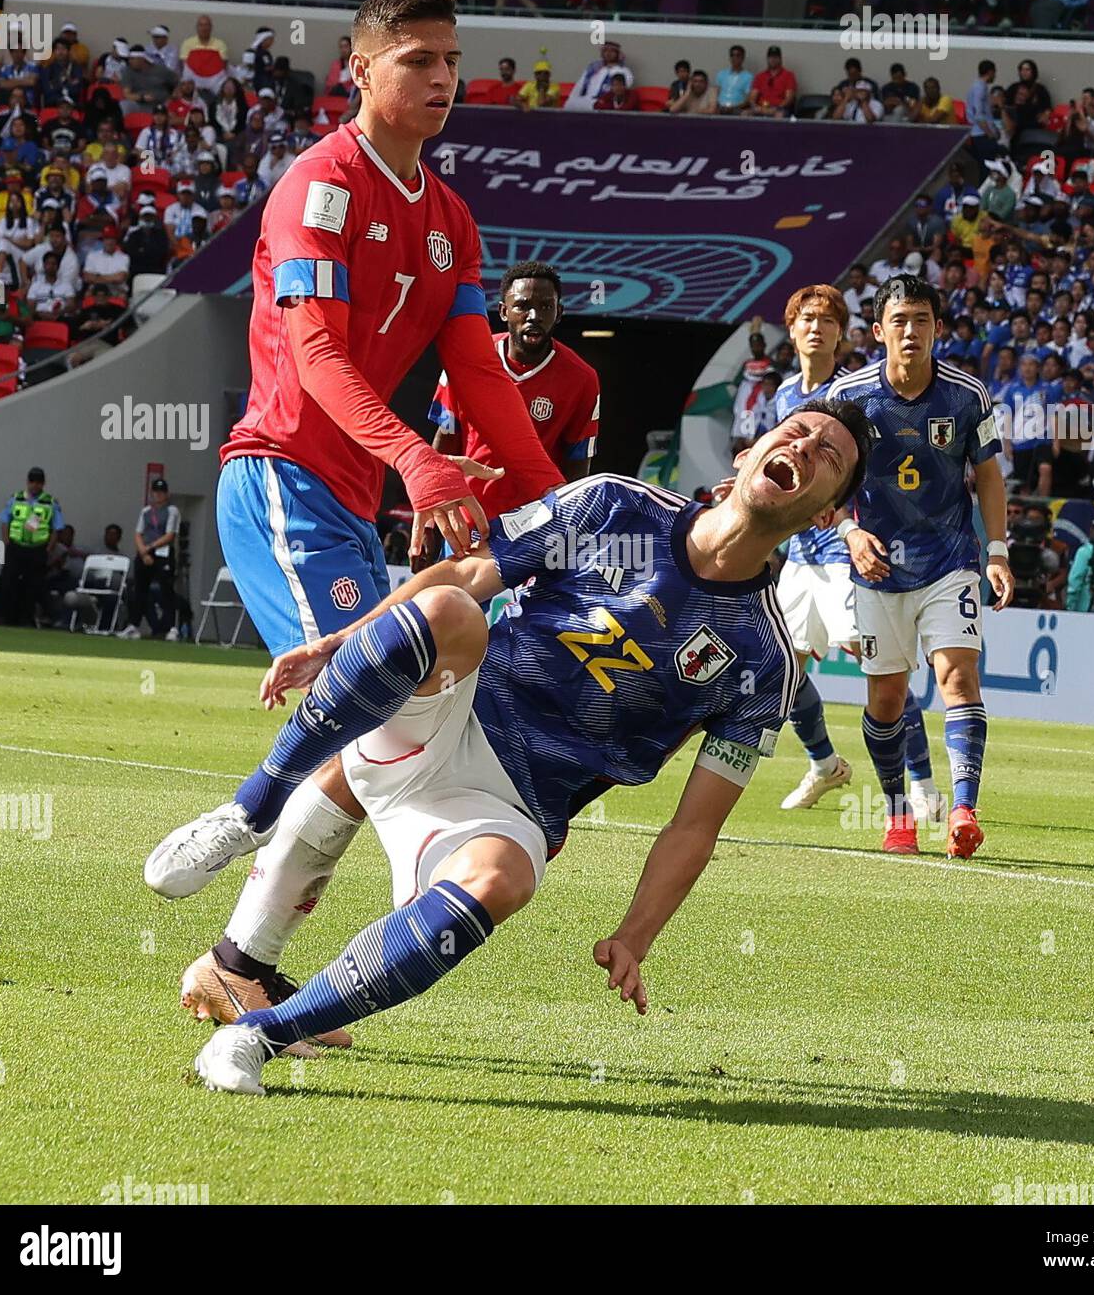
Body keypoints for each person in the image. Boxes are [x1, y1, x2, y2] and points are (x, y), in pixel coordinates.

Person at [152, 404, 869, 1090]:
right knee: (447, 612)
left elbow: (695, 826)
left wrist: (636, 933)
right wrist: (338, 642)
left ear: (827, 514)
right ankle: (249, 813)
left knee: (504, 881)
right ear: (749, 453)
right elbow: (465, 574)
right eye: (797, 432)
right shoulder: (614, 505)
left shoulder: (764, 659)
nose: (804, 447)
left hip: (514, 801)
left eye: (827, 454)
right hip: (453, 708)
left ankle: (257, 1033)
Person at [198, 0, 563, 693]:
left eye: (452, 60)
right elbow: (316, 356)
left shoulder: (451, 218)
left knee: (422, 700)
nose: (443, 78)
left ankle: (256, 810)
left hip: (356, 498)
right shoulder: (318, 188)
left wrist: (550, 495)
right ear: (361, 70)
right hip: (284, 475)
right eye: (418, 59)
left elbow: (478, 371)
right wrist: (418, 460)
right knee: (368, 703)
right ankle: (246, 810)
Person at [827, 275, 1014, 858]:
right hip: (877, 570)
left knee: (958, 676)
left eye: (923, 320)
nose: (912, 332)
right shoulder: (849, 399)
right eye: (900, 321)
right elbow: (824, 484)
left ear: (938, 327)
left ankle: (963, 810)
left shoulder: (967, 397)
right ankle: (898, 815)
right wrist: (850, 532)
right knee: (886, 701)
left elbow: (987, 476)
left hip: (949, 560)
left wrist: (999, 551)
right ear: (880, 331)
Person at [770, 286, 946, 822]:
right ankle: (825, 764)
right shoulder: (782, 395)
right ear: (793, 329)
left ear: (844, 333)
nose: (816, 328)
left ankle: (922, 786)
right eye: (806, 319)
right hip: (799, 553)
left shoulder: (857, 394)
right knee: (781, 668)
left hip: (849, 553)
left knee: (881, 672)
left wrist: (848, 517)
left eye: (827, 320)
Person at [430, 261, 599, 523]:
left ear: (559, 313)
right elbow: (446, 440)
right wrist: (432, 517)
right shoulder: (467, 360)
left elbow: (578, 464)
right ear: (504, 311)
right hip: (468, 520)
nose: (534, 316)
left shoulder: (582, 378)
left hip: (534, 528)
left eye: (546, 307)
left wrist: (568, 527)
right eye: (522, 306)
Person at [0, 466, 63, 627]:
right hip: (16, 547)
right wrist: (6, 542)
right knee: (8, 582)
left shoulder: (50, 502)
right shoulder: (16, 498)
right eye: (32, 482)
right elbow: (5, 521)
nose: (35, 485)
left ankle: (26, 619)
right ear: (27, 482)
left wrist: (48, 549)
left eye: (38, 482)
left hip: (37, 549)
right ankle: (6, 617)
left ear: (43, 484)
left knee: (32, 585)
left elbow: (57, 528)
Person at [118, 479, 182, 641]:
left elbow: (169, 535)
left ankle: (172, 627)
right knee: (139, 589)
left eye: (161, 492)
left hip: (162, 553)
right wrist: (143, 551)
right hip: (145, 553)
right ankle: (134, 625)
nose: (158, 495)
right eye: (155, 492)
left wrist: (150, 547)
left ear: (166, 494)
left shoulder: (172, 511)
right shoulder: (146, 511)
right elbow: (138, 533)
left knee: (166, 590)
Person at [563, 41, 632, 111]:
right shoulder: (593, 68)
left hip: (604, 102)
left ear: (618, 54)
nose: (608, 53)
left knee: (598, 105)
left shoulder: (624, 71)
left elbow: (621, 90)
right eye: (605, 51)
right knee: (569, 103)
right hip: (587, 100)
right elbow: (579, 86)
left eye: (612, 51)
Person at [747, 46, 796, 119]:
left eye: (776, 57)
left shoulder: (789, 75)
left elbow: (789, 99)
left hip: (779, 108)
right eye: (770, 57)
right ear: (767, 59)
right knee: (745, 114)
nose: (773, 60)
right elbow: (752, 97)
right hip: (761, 107)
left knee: (779, 115)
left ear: (780, 59)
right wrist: (755, 107)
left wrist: (776, 108)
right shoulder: (760, 76)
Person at [714, 44, 752, 116]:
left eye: (738, 55)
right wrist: (717, 105)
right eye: (732, 55)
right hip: (719, 108)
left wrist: (734, 108)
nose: (734, 58)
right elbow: (716, 94)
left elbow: (748, 99)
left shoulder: (748, 77)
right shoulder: (721, 74)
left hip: (737, 109)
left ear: (743, 58)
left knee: (745, 114)